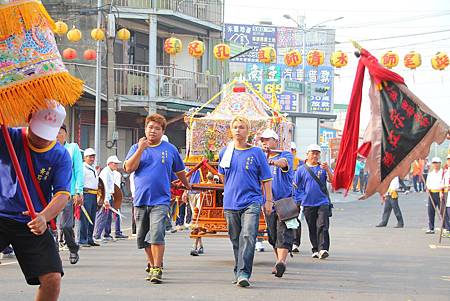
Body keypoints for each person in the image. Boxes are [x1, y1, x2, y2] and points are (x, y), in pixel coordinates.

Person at [0, 103, 72, 301]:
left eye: (47, 134)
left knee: (52, 278)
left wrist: (44, 217)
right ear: (29, 119)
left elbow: (62, 194)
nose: (40, 138)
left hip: (33, 221)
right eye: (37, 131)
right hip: (1, 214)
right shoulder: (9, 136)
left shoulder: (60, 155)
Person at [124, 113, 190, 284]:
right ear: (145, 129)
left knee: (157, 235)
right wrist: (140, 149)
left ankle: (157, 268)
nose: (152, 131)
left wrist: (187, 186)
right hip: (140, 200)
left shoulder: (170, 149)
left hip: (161, 200)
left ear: (162, 131)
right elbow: (128, 168)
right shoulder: (135, 148)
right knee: (143, 238)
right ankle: (153, 263)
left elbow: (180, 171)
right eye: (150, 127)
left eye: (157, 128)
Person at [218, 116, 273, 287]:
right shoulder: (225, 152)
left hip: (252, 202)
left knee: (248, 236)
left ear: (247, 131)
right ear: (231, 130)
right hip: (231, 203)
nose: (237, 130)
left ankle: (243, 273)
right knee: (236, 238)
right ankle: (238, 269)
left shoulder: (256, 153)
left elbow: (266, 178)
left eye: (241, 127)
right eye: (235, 127)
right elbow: (222, 175)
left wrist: (268, 200)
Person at [260, 129, 294, 278]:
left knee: (284, 232)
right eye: (262, 140)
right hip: (267, 202)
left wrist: (272, 161)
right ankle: (278, 261)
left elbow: (284, 164)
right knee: (272, 234)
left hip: (284, 201)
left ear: (275, 141)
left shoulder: (285, 154)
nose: (265, 142)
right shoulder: (259, 157)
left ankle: (282, 261)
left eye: (268, 139)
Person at [293, 144, 333, 259]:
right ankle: (315, 248)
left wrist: (328, 170)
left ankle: (323, 249)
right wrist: (298, 200)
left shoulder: (323, 167)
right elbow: (296, 186)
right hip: (307, 203)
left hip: (323, 202)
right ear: (307, 154)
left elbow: (332, 180)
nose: (315, 155)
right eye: (313, 153)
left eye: (317, 153)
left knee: (322, 225)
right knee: (312, 227)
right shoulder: (301, 169)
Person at [56, 124, 83, 264]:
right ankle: (53, 255)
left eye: (60, 132)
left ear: (65, 134)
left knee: (66, 225)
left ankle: (73, 248)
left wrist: (79, 191)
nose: (57, 135)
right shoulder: (48, 148)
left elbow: (78, 171)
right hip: (50, 194)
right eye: (54, 132)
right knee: (50, 226)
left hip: (67, 193)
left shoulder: (73, 148)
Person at [94, 155, 122, 241]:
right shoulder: (106, 172)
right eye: (115, 163)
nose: (117, 165)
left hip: (109, 196)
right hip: (104, 197)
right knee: (102, 216)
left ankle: (106, 234)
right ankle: (97, 235)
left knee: (107, 217)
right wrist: (105, 200)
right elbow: (104, 186)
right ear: (109, 163)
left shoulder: (110, 172)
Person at [79, 148, 100, 247]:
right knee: (84, 218)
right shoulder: (82, 168)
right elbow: (80, 182)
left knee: (92, 217)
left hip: (94, 194)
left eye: (93, 156)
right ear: (85, 157)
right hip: (86, 193)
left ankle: (89, 238)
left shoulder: (93, 169)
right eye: (90, 157)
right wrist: (80, 195)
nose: (92, 158)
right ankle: (82, 239)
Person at [425, 157, 445, 234]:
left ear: (440, 163)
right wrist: (428, 189)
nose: (435, 164)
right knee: (430, 211)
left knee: (442, 211)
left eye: (437, 163)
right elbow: (427, 183)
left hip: (440, 194)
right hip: (431, 194)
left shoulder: (443, 173)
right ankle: (431, 228)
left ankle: (445, 228)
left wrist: (441, 191)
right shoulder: (430, 174)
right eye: (434, 163)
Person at [112, 168, 128, 239]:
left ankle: (117, 231)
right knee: (107, 215)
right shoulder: (115, 174)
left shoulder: (115, 173)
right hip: (114, 195)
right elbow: (117, 186)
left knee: (115, 215)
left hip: (115, 195)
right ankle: (116, 232)